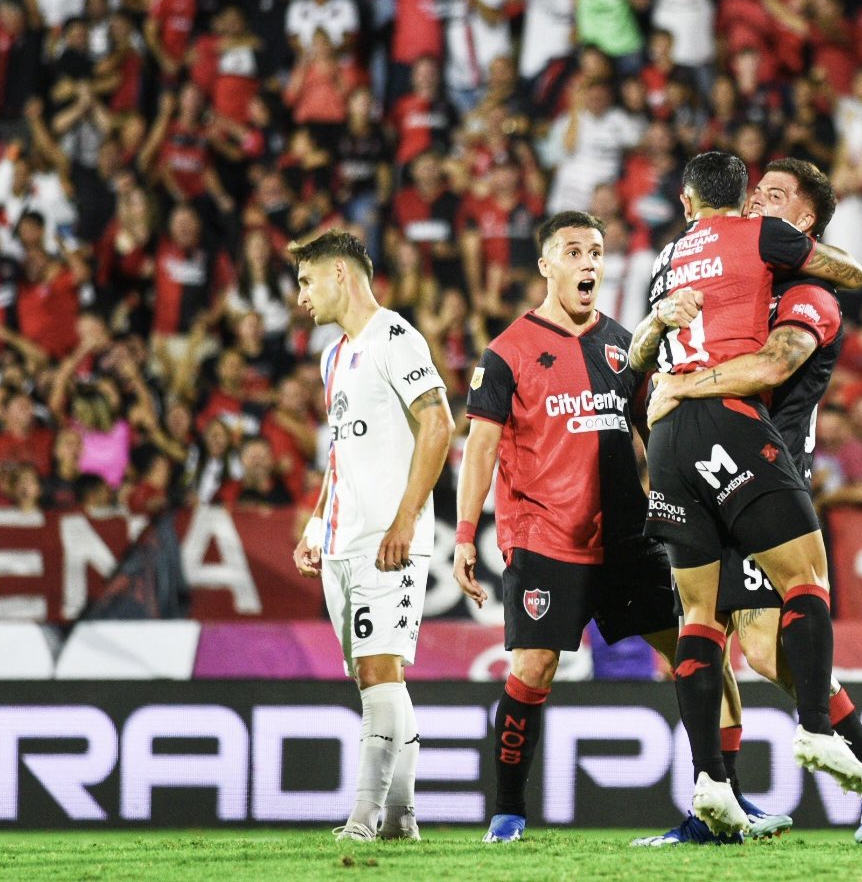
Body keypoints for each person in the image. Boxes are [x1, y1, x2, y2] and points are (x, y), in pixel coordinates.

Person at [639, 158, 862, 846]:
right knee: (709, 632)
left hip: (762, 460)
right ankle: (716, 798)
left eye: (775, 195)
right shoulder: (736, 266)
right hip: (710, 453)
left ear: (804, 223)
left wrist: (680, 385)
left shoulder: (809, 298)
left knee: (763, 647)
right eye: (754, 188)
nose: (758, 198)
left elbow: (770, 364)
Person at [450, 210, 687, 845]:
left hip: (627, 538)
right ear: (546, 265)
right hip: (544, 536)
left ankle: (718, 796)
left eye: (597, 252)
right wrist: (465, 532)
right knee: (533, 667)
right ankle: (507, 810)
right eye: (574, 251)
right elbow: (478, 449)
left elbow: (655, 430)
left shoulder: (625, 345)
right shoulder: (507, 351)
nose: (588, 263)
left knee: (691, 655)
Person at [289, 229, 454, 843]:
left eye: (307, 280)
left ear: (340, 274)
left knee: (380, 669)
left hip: (390, 540)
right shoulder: (333, 356)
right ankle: (402, 816)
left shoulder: (395, 337)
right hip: (343, 542)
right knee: (374, 678)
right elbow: (340, 455)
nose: (301, 295)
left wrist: (406, 518)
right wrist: (315, 522)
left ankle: (362, 818)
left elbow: (438, 423)